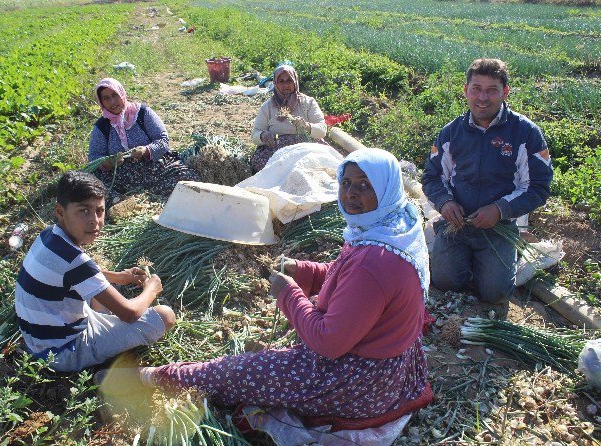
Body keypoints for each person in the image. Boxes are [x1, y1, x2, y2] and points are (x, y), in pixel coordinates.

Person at [134, 149, 430, 424]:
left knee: (239, 372)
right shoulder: (392, 229)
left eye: (365, 185)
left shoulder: (373, 260)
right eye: (347, 182)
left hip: (359, 383)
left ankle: (159, 377)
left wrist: (289, 295)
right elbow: (347, 279)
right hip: (393, 368)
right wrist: (304, 271)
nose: (351, 193)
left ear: (386, 188)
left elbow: (329, 342)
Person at [422, 58, 553, 311]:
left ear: (505, 92)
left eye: (492, 90)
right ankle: (463, 256)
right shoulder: (451, 132)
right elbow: (431, 177)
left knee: (495, 293)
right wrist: (445, 202)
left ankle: (506, 252)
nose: (483, 97)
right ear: (466, 90)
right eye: (476, 89)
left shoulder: (526, 133)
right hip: (457, 224)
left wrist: (500, 210)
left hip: (499, 227)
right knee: (445, 282)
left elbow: (538, 186)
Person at [14, 171, 176, 372]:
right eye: (83, 211)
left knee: (105, 288)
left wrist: (119, 277)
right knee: (164, 315)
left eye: (99, 211)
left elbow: (76, 275)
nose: (94, 220)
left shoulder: (49, 235)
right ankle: (105, 356)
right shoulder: (76, 262)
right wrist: (151, 289)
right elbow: (130, 313)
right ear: (60, 211)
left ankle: (109, 334)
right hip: (63, 352)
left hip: (41, 340)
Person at [88, 78, 199, 205]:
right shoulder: (102, 126)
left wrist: (146, 150)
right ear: (101, 101)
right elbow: (94, 157)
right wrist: (108, 162)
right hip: (121, 178)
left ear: (122, 93)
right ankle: (123, 202)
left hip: (156, 170)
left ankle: (150, 197)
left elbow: (163, 140)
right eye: (106, 98)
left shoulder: (141, 113)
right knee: (92, 189)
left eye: (115, 95)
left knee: (189, 178)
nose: (112, 102)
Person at [250, 65, 328, 172]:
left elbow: (322, 130)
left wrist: (307, 126)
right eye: (281, 81)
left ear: (295, 81)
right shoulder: (268, 107)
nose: (285, 85)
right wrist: (263, 135)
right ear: (275, 83)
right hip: (277, 151)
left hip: (306, 148)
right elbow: (255, 134)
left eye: (289, 80)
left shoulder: (308, 103)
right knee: (266, 166)